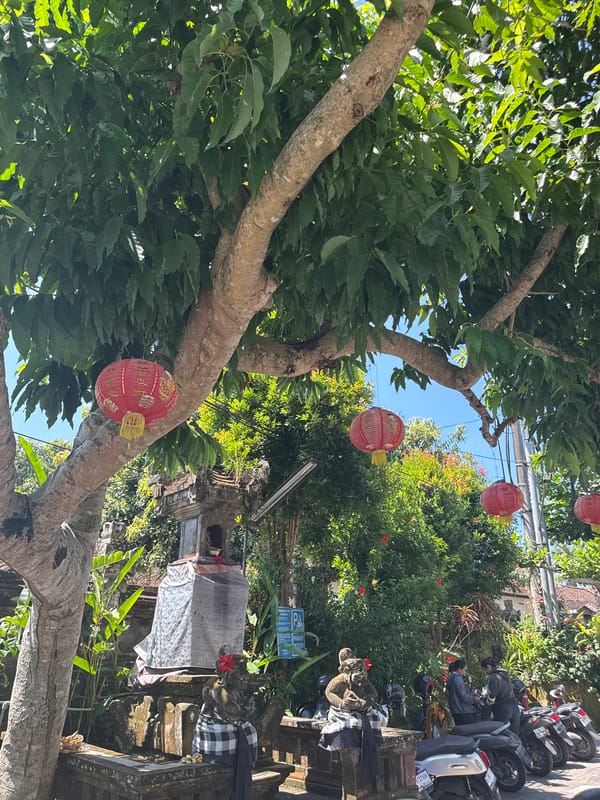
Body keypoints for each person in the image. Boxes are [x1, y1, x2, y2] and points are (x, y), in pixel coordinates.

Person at [480, 656, 520, 733]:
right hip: (514, 707)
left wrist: (487, 704)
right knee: (515, 733)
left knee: (503, 733)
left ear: (488, 667)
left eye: (484, 670)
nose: (484, 672)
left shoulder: (494, 677)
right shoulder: (504, 674)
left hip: (503, 708)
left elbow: (492, 695)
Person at [446, 659, 479, 725]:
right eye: (464, 670)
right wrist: (475, 698)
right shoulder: (458, 679)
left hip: (456, 711)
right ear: (459, 669)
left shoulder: (450, 678)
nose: (465, 672)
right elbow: (464, 697)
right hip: (463, 712)